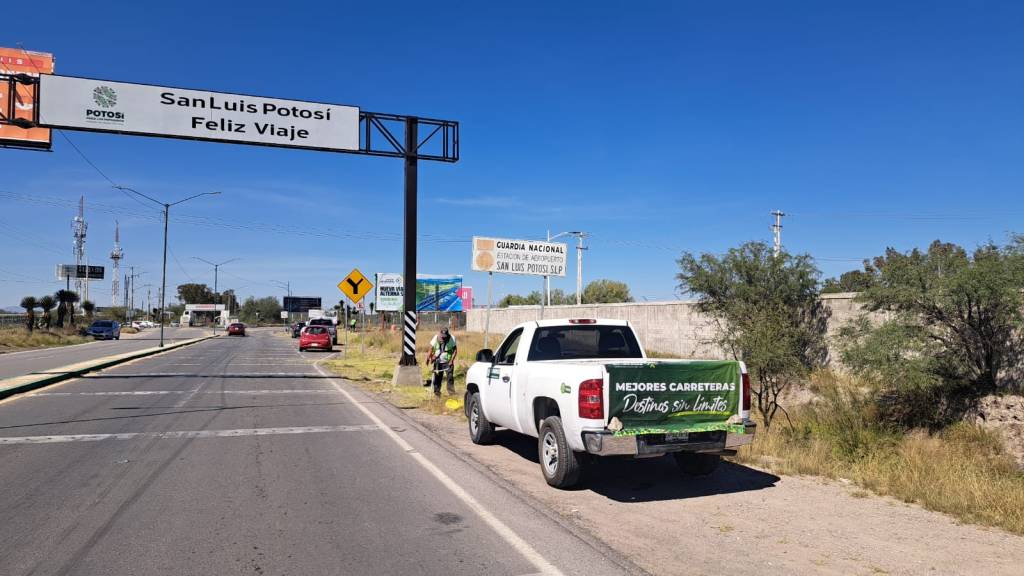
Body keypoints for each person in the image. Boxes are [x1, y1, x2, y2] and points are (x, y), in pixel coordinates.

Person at [425, 328, 458, 396]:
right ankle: (437, 394)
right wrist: (428, 358)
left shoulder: (452, 338)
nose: (443, 338)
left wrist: (451, 361)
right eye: (442, 336)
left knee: (450, 377)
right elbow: (430, 349)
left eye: (444, 336)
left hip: (448, 361)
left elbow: (455, 351)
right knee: (438, 378)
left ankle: (451, 393)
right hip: (438, 361)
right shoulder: (435, 338)